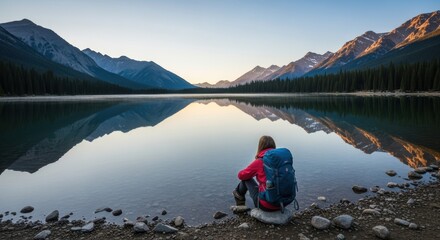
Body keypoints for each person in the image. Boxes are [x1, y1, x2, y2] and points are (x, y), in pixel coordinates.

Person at [233, 135, 281, 211]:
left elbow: (241, 175)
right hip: (283, 202)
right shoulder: (281, 160)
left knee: (246, 179)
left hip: (266, 205)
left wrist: (253, 171)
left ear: (260, 146)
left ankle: (239, 199)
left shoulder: (260, 161)